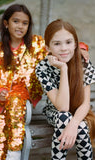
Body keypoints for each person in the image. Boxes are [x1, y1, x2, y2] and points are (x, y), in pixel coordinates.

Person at [0, 4, 90, 160]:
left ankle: (14, 154)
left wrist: (81, 48)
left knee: (79, 125)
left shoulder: (35, 44)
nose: (20, 26)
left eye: (25, 23)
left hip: (25, 99)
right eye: (16, 21)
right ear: (6, 23)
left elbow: (62, 42)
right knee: (1, 139)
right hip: (5, 101)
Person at [35, 19, 95, 160]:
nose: (63, 48)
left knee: (80, 126)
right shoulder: (42, 67)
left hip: (80, 112)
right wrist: (63, 69)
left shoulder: (84, 64)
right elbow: (62, 107)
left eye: (68, 42)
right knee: (64, 116)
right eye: (57, 43)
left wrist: (73, 124)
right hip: (55, 113)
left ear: (75, 44)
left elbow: (85, 104)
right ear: (48, 48)